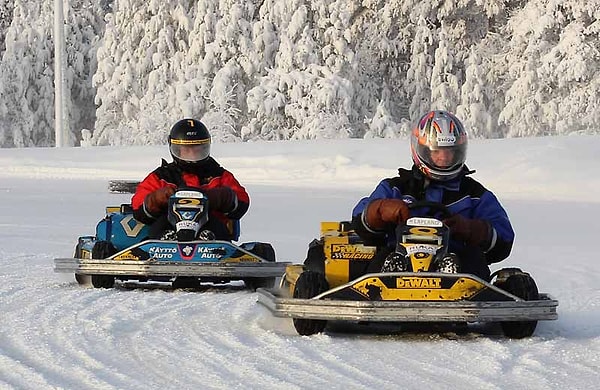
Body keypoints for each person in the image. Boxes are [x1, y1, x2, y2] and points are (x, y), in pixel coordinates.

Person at [351, 110, 514, 281]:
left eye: (449, 152)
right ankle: (384, 284)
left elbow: (504, 238)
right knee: (381, 257)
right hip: (399, 258)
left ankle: (454, 279)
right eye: (437, 152)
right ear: (422, 151)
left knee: (473, 259)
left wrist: (471, 229)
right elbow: (359, 219)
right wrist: (380, 210)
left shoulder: (474, 195)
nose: (443, 158)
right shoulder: (396, 189)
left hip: (458, 265)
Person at [131, 119, 249, 241]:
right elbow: (138, 207)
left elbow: (242, 201)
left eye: (197, 150)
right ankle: (165, 242)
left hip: (210, 226)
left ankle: (209, 243)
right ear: (176, 149)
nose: (192, 154)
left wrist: (222, 197)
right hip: (169, 224)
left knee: (215, 225)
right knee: (159, 225)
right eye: (186, 150)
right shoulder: (162, 177)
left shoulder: (218, 175)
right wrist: (156, 199)